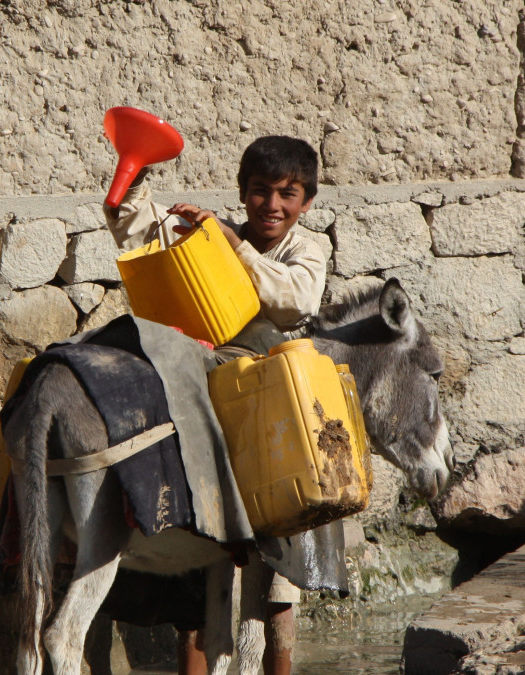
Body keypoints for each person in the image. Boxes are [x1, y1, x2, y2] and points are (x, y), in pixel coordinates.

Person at [105, 135, 328, 675]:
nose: (271, 205)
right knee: (196, 577)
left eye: (286, 194)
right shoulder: (213, 234)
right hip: (208, 405)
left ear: (306, 201)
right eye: (259, 192)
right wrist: (130, 190)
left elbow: (295, 299)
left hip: (274, 424)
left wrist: (232, 246)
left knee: (278, 578)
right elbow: (144, 230)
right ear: (242, 192)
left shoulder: (305, 249)